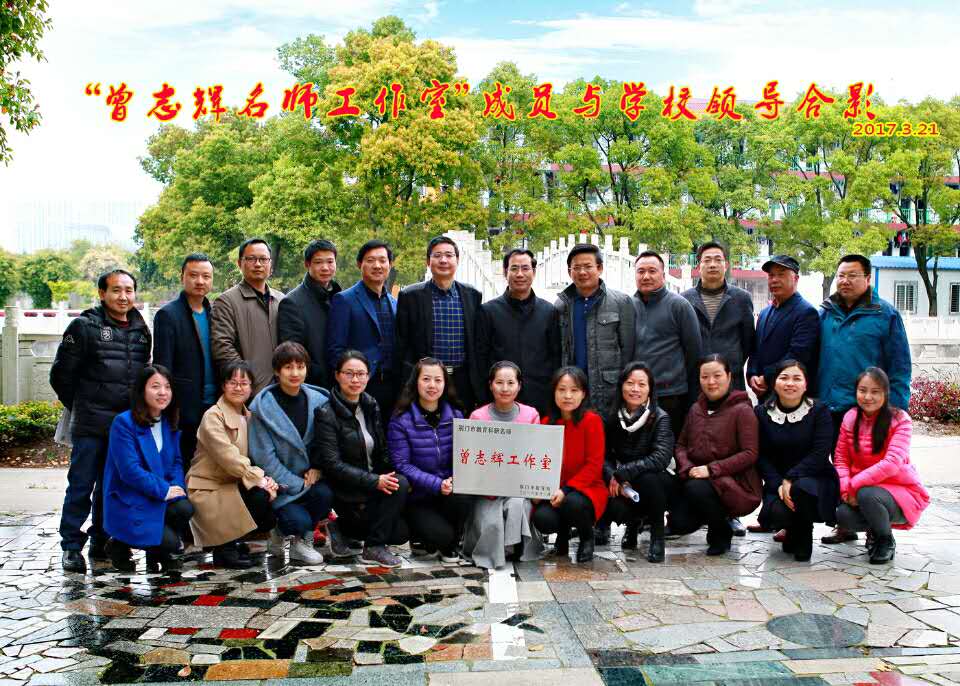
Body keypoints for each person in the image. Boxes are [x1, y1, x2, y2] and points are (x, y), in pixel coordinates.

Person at [50, 269, 152, 573]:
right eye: (116, 290)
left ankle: (101, 540)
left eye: (129, 290)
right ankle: (71, 546)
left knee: (112, 487)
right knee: (81, 485)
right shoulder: (83, 327)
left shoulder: (141, 330)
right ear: (102, 293)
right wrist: (82, 404)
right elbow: (61, 376)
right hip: (90, 423)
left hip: (123, 426)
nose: (123, 297)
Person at [818, 254, 911, 545]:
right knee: (838, 465)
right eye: (841, 275)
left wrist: (896, 409)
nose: (845, 281)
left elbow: (900, 365)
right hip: (829, 404)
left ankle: (876, 527)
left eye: (852, 275)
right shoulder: (826, 312)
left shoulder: (885, 314)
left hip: (869, 409)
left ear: (868, 279)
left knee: (873, 466)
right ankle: (845, 524)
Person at [312, 350, 410, 568]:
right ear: (337, 375)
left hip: (371, 487)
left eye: (361, 374)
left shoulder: (370, 405)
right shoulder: (325, 413)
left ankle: (345, 531)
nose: (355, 379)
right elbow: (332, 464)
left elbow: (382, 450)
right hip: (345, 492)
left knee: (401, 529)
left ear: (368, 376)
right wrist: (375, 481)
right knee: (398, 490)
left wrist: (391, 472)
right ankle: (372, 546)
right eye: (349, 373)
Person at [187, 361, 279, 569]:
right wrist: (259, 478)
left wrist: (268, 479)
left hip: (234, 482)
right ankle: (224, 549)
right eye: (233, 382)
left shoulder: (250, 416)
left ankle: (231, 542)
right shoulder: (213, 416)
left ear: (251, 387)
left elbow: (259, 454)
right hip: (208, 486)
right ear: (223, 385)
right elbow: (228, 457)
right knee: (258, 495)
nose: (238, 388)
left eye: (244, 383)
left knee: (266, 505)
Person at [102, 365, 194, 574]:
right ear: (141, 390)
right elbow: (129, 470)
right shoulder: (123, 423)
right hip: (131, 496)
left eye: (167, 387)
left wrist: (176, 487)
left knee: (185, 508)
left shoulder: (168, 421)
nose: (163, 392)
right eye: (155, 386)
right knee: (172, 546)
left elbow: (176, 462)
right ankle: (119, 544)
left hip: (157, 494)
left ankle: (154, 548)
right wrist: (164, 490)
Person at [248, 342, 333, 565]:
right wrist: (297, 483)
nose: (295, 373)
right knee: (297, 520)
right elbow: (264, 457)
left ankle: (302, 541)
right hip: (281, 486)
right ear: (277, 371)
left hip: (311, 480)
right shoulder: (263, 408)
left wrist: (317, 468)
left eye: (300, 366)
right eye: (288, 367)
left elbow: (326, 443)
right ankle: (281, 530)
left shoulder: (320, 401)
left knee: (326, 494)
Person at [834, 367, 929, 564]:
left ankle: (885, 540)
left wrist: (854, 486)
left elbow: (891, 463)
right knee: (843, 515)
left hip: (900, 492)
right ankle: (875, 529)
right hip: (863, 492)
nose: (868, 397)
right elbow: (841, 460)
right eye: (862, 390)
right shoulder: (850, 417)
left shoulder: (900, 419)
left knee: (867, 494)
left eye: (875, 391)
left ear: (885, 393)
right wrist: (845, 490)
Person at [670, 354, 761, 556]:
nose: (711, 382)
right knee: (679, 521)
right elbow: (681, 445)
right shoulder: (696, 409)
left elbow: (750, 453)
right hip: (697, 478)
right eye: (705, 377)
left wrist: (710, 470)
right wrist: (688, 467)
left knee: (696, 488)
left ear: (729, 376)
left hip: (734, 482)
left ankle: (720, 531)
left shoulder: (742, 410)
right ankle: (709, 518)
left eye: (717, 376)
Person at [388, 357, 472, 563]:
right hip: (419, 497)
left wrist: (453, 479)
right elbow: (402, 465)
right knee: (439, 536)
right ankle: (426, 537)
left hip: (448, 492)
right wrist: (436, 484)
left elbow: (465, 456)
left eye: (438, 380)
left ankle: (452, 542)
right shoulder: (401, 419)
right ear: (415, 382)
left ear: (445, 383)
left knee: (464, 495)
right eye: (426, 379)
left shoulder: (457, 416)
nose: (432, 385)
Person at [463, 361, 545, 569]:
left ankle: (515, 546)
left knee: (517, 505)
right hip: (487, 490)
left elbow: (536, 458)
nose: (505, 388)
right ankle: (499, 549)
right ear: (491, 385)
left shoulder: (531, 415)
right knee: (490, 522)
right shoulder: (478, 417)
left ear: (519, 385)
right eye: (499, 382)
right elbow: (472, 461)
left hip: (519, 488)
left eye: (511, 383)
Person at [754, 360, 838, 562]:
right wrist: (778, 483)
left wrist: (790, 478)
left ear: (806, 384)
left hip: (815, 478)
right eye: (784, 378)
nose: (790, 383)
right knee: (776, 513)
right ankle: (792, 530)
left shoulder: (819, 411)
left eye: (797, 378)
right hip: (778, 481)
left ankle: (804, 535)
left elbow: (820, 453)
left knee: (801, 489)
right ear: (774, 383)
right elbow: (761, 455)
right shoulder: (762, 413)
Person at [396, 236, 484, 413]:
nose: (443, 260)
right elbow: (402, 344)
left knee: (461, 426)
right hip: (426, 382)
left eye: (449, 255)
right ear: (428, 261)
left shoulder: (472, 295)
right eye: (437, 255)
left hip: (462, 380)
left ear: (457, 260)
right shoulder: (410, 296)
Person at [532, 366, 607, 563]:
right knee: (542, 518)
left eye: (574, 390)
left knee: (572, 503)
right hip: (554, 489)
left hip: (587, 489)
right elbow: (541, 462)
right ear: (554, 392)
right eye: (562, 389)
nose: (567, 396)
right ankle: (562, 536)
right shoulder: (546, 422)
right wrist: (537, 489)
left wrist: (566, 490)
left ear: (583, 394)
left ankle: (587, 537)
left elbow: (594, 466)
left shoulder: (592, 421)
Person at [603, 362, 676, 563]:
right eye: (630, 383)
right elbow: (604, 455)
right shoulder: (612, 417)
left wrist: (624, 473)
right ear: (621, 386)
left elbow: (660, 458)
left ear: (650, 389)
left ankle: (657, 536)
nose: (635, 389)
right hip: (623, 479)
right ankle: (632, 525)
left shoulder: (660, 417)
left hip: (657, 479)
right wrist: (612, 476)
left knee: (648, 479)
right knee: (606, 493)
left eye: (642, 384)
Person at [555, 242, 635, 422]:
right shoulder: (561, 305)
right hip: (572, 389)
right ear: (569, 272)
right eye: (576, 268)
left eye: (588, 266)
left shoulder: (621, 302)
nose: (582, 272)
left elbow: (628, 351)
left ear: (599, 268)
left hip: (608, 390)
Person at [477, 249, 561, 416]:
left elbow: (556, 357)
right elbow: (480, 358)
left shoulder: (549, 311)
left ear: (534, 272)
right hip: (500, 401)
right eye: (514, 268)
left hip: (540, 399)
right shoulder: (488, 311)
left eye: (525, 268)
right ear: (505, 272)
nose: (520, 274)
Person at [153, 253, 217, 470]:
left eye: (206, 276)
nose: (200, 281)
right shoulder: (168, 315)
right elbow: (163, 367)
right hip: (184, 408)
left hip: (215, 405)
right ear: (182, 277)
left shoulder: (215, 313)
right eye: (193, 275)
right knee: (184, 465)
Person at [327, 240, 398, 423]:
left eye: (382, 260)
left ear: (390, 264)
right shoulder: (344, 300)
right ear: (360, 264)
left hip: (393, 386)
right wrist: (350, 383)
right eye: (370, 260)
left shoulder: (395, 303)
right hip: (361, 385)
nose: (377, 265)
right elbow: (336, 349)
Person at [632, 250, 702, 439]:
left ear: (663, 275)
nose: (646, 276)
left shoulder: (679, 305)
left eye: (652, 271)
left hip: (671, 395)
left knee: (668, 445)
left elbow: (694, 353)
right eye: (641, 271)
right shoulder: (628, 306)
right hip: (637, 394)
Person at [211, 238, 284, 396]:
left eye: (263, 259)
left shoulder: (281, 300)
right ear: (239, 263)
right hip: (248, 392)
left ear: (270, 264)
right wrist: (245, 381)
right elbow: (222, 347)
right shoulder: (226, 301)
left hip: (282, 390)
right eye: (251, 259)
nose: (258, 264)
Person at [682, 242, 755, 391]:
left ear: (726, 265)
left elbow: (748, 341)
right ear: (698, 266)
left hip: (731, 380)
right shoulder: (684, 300)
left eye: (718, 259)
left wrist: (732, 363)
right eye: (707, 260)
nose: (712, 265)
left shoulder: (742, 299)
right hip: (696, 380)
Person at [747, 255, 819, 403]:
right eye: (771, 275)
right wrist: (752, 374)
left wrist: (766, 378)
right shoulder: (764, 313)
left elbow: (797, 355)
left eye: (781, 275)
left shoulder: (806, 312)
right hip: (763, 395)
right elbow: (755, 349)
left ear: (796, 278)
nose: (774, 280)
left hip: (790, 396)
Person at [278, 239, 342, 388]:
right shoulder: (292, 302)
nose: (325, 268)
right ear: (307, 264)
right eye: (318, 262)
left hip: (342, 382)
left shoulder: (340, 297)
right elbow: (292, 352)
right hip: (313, 385)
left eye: (330, 262)